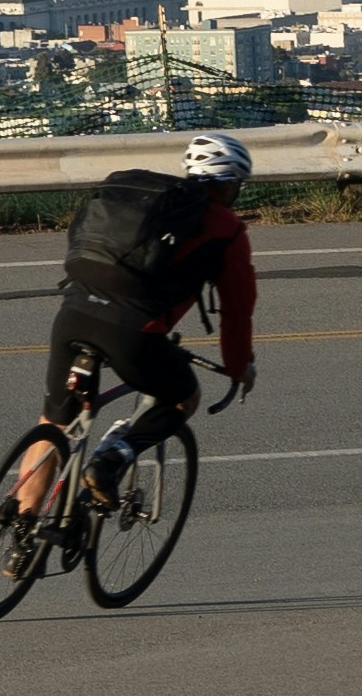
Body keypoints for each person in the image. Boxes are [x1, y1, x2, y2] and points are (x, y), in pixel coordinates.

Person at [29, 130, 257, 509]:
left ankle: (20, 521)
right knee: (184, 398)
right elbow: (237, 311)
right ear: (229, 185)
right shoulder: (226, 229)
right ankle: (110, 461)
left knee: (53, 422)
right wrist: (238, 368)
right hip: (132, 331)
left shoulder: (151, 205)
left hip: (73, 311)